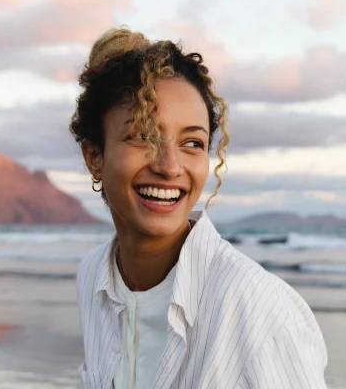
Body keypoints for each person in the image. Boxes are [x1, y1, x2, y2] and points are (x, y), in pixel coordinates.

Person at [72, 28, 328, 389]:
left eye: (193, 142)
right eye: (144, 136)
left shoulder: (259, 312)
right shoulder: (94, 277)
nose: (170, 166)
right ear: (94, 156)